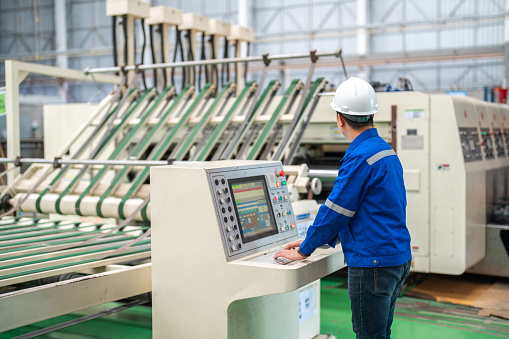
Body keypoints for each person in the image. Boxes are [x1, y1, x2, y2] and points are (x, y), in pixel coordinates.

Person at [274, 77, 412, 339]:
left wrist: (306, 248)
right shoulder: (385, 151)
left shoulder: (360, 156)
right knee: (381, 333)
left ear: (339, 118)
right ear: (372, 114)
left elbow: (336, 209)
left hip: (373, 264)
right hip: (397, 258)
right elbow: (371, 208)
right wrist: (322, 240)